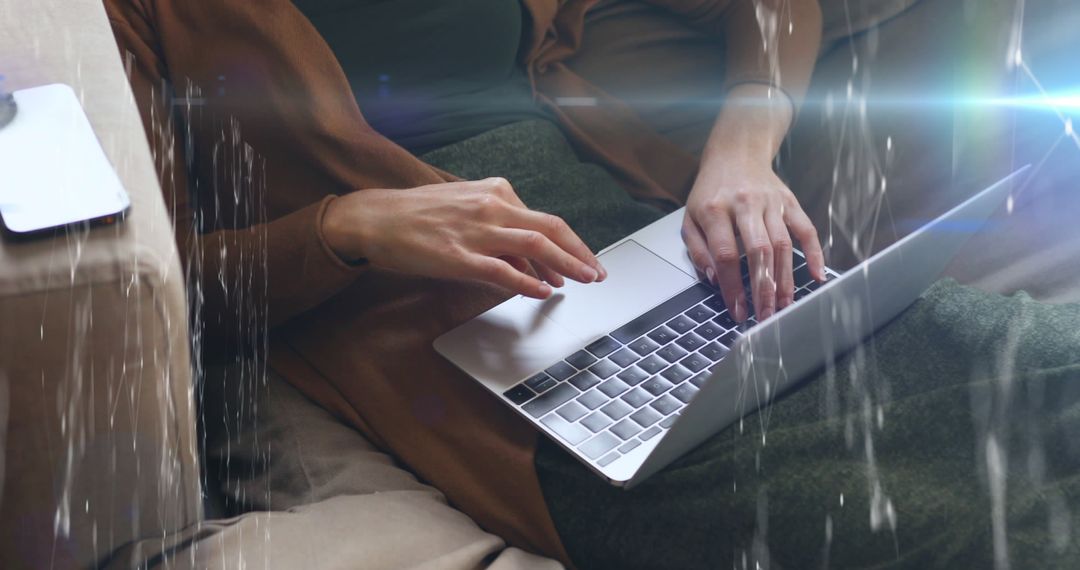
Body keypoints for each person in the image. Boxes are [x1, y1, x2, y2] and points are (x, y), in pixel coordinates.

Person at [104, 0, 824, 565]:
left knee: (924, 342)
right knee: (827, 506)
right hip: (410, 311)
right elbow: (147, 285)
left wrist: (741, 154)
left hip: (624, 231)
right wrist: (345, 228)